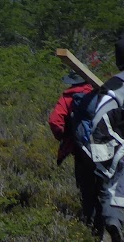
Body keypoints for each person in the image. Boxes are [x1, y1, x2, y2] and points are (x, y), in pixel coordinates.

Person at [49, 70, 101, 230]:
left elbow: (54, 121)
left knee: (86, 186)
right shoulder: (99, 92)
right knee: (104, 185)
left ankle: (91, 226)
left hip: (81, 151)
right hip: (105, 147)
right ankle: (108, 223)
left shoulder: (67, 97)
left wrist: (66, 137)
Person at [90, 34, 124, 242]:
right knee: (114, 186)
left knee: (110, 187)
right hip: (114, 144)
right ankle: (113, 223)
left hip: (110, 144)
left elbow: (98, 120)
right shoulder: (117, 86)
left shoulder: (114, 85)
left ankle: (113, 223)